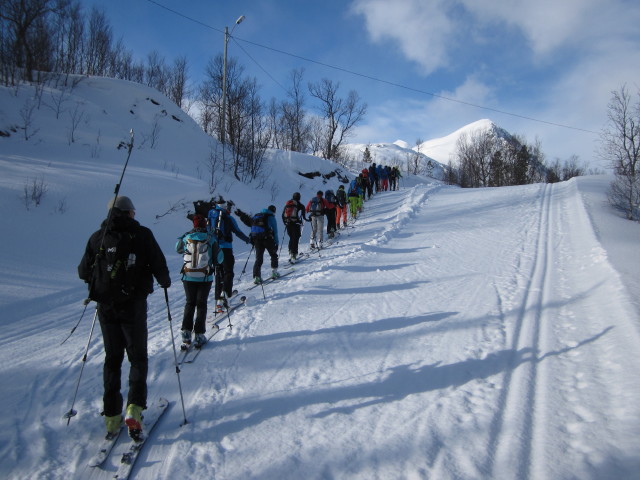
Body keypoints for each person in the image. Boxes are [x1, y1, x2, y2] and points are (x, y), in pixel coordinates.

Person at [78, 195, 171, 440]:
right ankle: (135, 408)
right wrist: (164, 281)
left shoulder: (97, 237)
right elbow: (158, 263)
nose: (134, 214)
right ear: (128, 212)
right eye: (133, 211)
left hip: (106, 307)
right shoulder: (141, 234)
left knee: (112, 358)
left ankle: (111, 416)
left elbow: (82, 271)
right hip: (133, 306)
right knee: (137, 356)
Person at [175, 214, 220, 349]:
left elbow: (178, 249)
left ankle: (186, 334)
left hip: (188, 276)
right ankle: (199, 334)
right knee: (201, 304)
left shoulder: (187, 237)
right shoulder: (210, 238)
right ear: (205, 224)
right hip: (205, 276)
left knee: (190, 303)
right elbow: (219, 259)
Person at [207, 198, 250, 312]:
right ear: (225, 207)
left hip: (215, 248)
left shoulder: (211, 215)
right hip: (226, 249)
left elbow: (208, 231)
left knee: (218, 274)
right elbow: (238, 232)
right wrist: (248, 240)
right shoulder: (228, 218)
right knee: (228, 271)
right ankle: (226, 295)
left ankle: (218, 300)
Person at [251, 205, 280, 284]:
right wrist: (276, 242)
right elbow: (275, 231)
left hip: (257, 239)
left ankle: (257, 277)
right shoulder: (271, 217)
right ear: (273, 211)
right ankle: (274, 272)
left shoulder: (257, 216)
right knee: (273, 255)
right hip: (267, 239)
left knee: (258, 258)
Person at [282, 192, 308, 263]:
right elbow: (303, 216)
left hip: (288, 224)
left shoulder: (287, 204)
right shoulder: (299, 205)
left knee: (291, 237)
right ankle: (294, 254)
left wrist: (285, 223)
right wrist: (307, 219)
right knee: (296, 238)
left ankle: (290, 251)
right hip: (295, 224)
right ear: (299, 197)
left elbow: (282, 215)